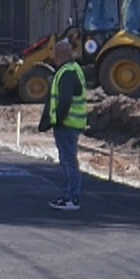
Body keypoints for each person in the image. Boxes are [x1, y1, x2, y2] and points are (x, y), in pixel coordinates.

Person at [39, 39, 88, 211]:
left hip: (67, 125)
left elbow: (64, 100)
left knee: (69, 161)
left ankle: (71, 197)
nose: (51, 57)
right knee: (68, 160)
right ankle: (69, 195)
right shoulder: (74, 70)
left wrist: (57, 120)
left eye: (54, 53)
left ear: (59, 55)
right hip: (71, 124)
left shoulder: (66, 73)